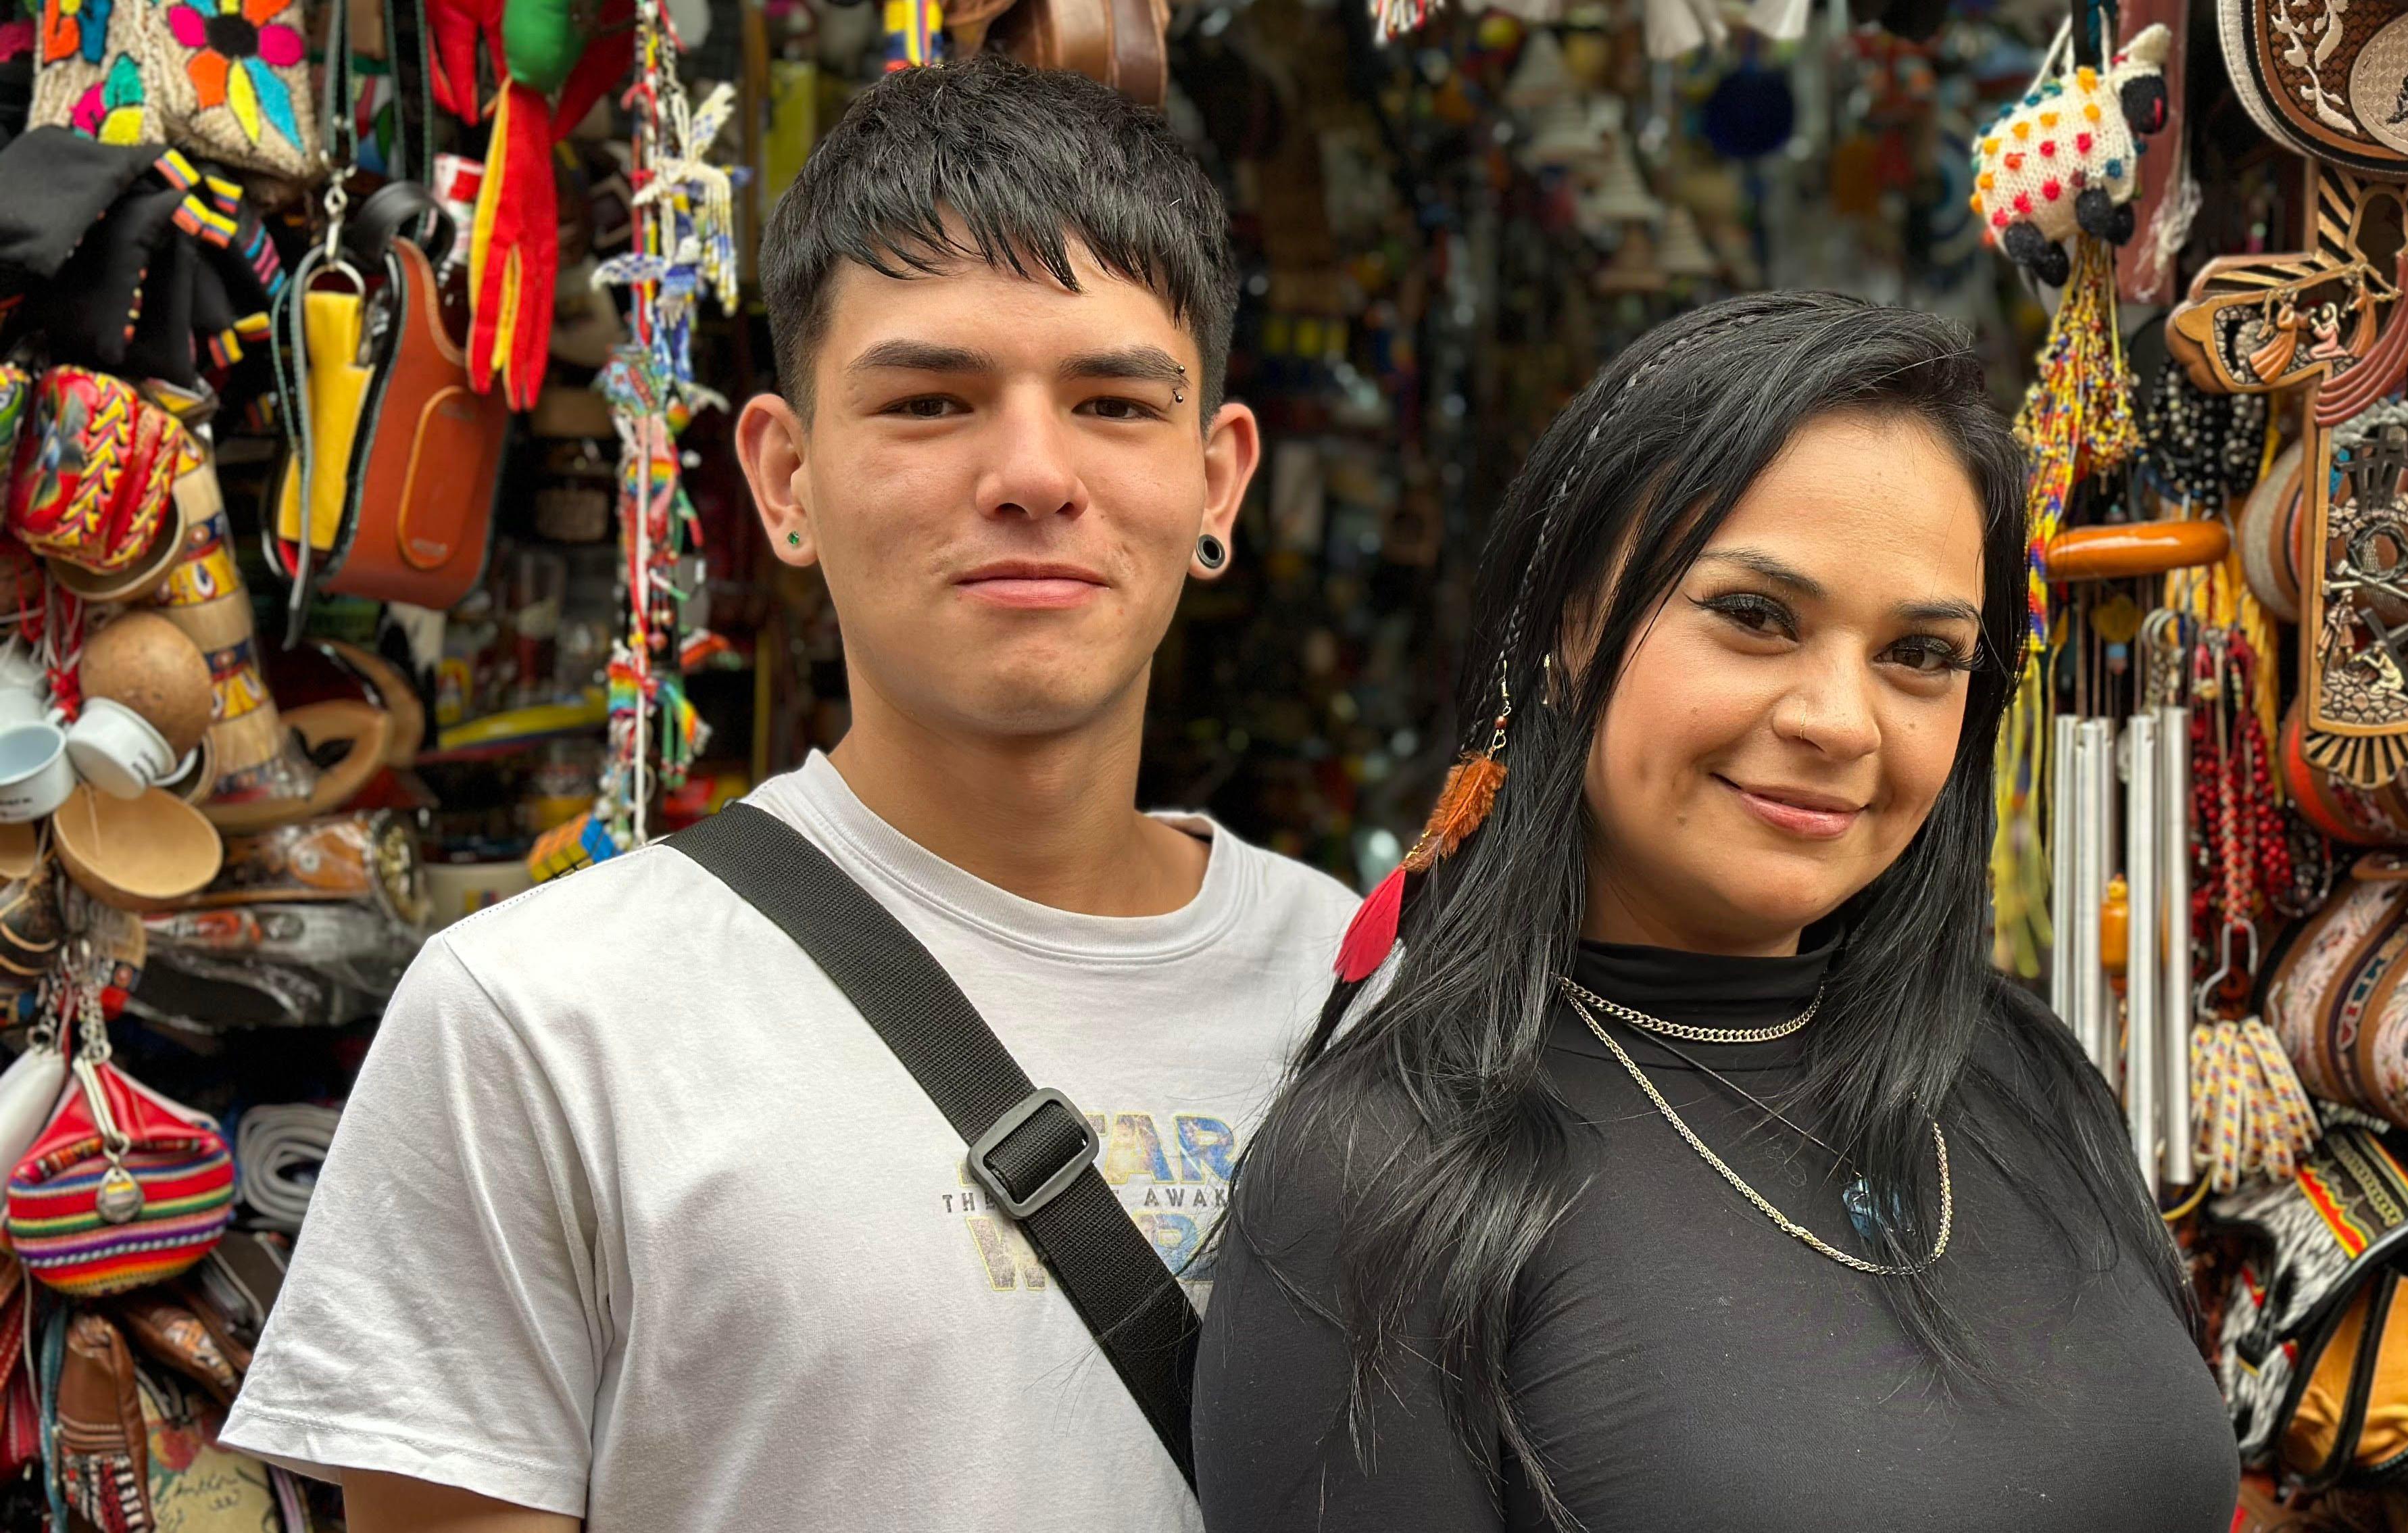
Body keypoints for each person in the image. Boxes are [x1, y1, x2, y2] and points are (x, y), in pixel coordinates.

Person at [218, 54, 1356, 1533]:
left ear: (1217, 482)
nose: (1031, 472)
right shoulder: (541, 1025)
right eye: (932, 400)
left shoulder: (1362, 993)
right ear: (784, 479)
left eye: (1113, 404)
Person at [1191, 292, 2238, 1531]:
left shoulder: (2025, 1075)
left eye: (1920, 655)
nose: (1840, 721)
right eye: (1754, 618)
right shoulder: (1381, 1188)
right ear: (1571, 625)